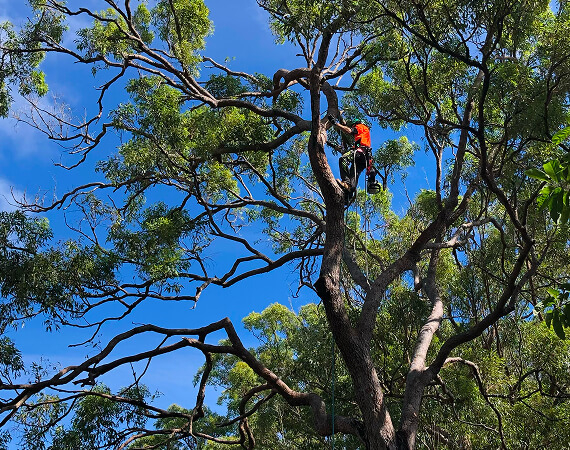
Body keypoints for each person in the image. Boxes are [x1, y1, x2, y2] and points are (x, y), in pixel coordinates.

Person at [328, 115, 380, 203]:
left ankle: (346, 182)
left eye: (353, 125)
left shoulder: (361, 126)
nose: (353, 127)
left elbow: (349, 131)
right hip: (364, 159)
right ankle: (348, 195)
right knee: (353, 175)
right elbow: (343, 149)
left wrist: (335, 124)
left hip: (360, 152)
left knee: (343, 159)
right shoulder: (363, 136)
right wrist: (332, 145)